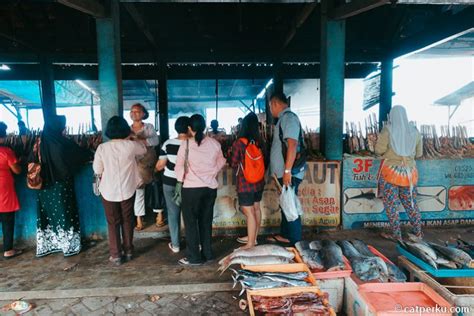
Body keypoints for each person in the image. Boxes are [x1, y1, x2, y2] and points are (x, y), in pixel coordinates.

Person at [34, 115, 92, 257]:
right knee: (65, 213)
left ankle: (49, 245)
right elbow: (81, 155)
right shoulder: (63, 143)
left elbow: (31, 159)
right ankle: (69, 246)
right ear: (58, 127)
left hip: (43, 188)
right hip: (61, 186)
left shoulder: (39, 142)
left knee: (48, 214)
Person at [93, 116, 147, 265]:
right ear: (125, 129)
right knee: (128, 220)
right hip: (128, 188)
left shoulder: (102, 148)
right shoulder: (130, 145)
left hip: (108, 190)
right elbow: (143, 149)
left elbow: (97, 169)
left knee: (113, 222)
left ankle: (116, 255)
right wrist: (133, 137)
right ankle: (129, 250)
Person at [175, 114, 226, 266]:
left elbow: (179, 166)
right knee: (206, 221)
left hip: (191, 190)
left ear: (190, 128)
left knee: (191, 224)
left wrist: (180, 181)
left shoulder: (185, 144)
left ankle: (194, 258)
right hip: (209, 189)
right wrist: (211, 173)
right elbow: (222, 161)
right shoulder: (214, 144)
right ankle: (208, 254)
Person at [375, 105, 423, 242]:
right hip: (410, 174)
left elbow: (379, 151)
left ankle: (397, 235)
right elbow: (419, 153)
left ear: (392, 116)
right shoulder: (415, 131)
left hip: (391, 173)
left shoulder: (387, 131)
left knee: (391, 205)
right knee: (411, 204)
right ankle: (418, 234)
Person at [267, 92, 306, 246]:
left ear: (275, 103)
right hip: (284, 172)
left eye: (270, 106)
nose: (271, 110)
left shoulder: (289, 118)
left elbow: (292, 144)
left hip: (289, 172)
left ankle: (294, 239)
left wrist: (287, 171)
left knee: (290, 204)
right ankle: (286, 234)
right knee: (285, 202)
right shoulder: (283, 119)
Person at [155, 116, 190, 253]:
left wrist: (155, 169)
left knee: (173, 213)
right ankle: (194, 243)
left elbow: (160, 165)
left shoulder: (167, 144)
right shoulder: (192, 143)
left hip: (169, 181)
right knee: (189, 214)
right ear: (189, 128)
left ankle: (175, 245)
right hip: (188, 183)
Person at [231, 113, 265, 249]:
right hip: (259, 182)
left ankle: (250, 243)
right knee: (256, 208)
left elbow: (234, 163)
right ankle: (254, 237)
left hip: (245, 184)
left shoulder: (239, 143)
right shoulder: (260, 141)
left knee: (249, 211)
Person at [129, 103, 159, 230]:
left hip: (147, 162)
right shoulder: (127, 128)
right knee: (138, 190)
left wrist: (138, 139)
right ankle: (139, 219)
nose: (133, 113)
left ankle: (157, 214)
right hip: (132, 162)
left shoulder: (149, 127)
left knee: (151, 188)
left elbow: (155, 141)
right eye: (132, 111)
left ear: (143, 114)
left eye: (137, 111)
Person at [0, 122, 22, 259]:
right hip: (4, 189)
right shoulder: (6, 151)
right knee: (7, 219)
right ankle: (8, 249)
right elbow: (17, 170)